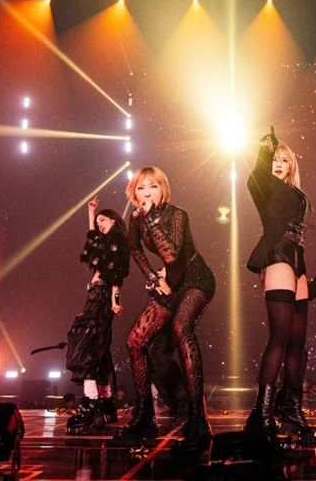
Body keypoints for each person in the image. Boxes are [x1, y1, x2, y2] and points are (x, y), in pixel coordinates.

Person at [118, 166, 216, 454]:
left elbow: (172, 254)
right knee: (135, 341)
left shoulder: (177, 214)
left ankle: (198, 421)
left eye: (153, 187)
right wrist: (152, 277)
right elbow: (135, 249)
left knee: (180, 327)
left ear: (163, 190)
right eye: (141, 188)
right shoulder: (136, 219)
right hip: (171, 284)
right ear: (134, 193)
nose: (147, 193)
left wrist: (150, 218)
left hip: (196, 278)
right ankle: (144, 418)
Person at [245, 127, 316, 439]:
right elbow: (255, 176)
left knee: (298, 343)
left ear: (292, 165)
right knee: (280, 338)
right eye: (274, 160)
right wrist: (265, 147)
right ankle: (262, 415)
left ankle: (293, 414)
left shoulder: (296, 193)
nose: (278, 164)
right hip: (278, 254)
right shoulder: (264, 185)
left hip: (298, 258)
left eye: (284, 160)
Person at [65, 196, 129, 432]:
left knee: (87, 344)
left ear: (114, 220)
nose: (100, 224)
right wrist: (91, 213)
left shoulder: (117, 242)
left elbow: (116, 274)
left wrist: (115, 300)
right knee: (98, 347)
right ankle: (106, 401)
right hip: (96, 294)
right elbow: (93, 237)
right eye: (99, 221)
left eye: (104, 220)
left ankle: (91, 401)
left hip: (101, 295)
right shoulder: (106, 241)